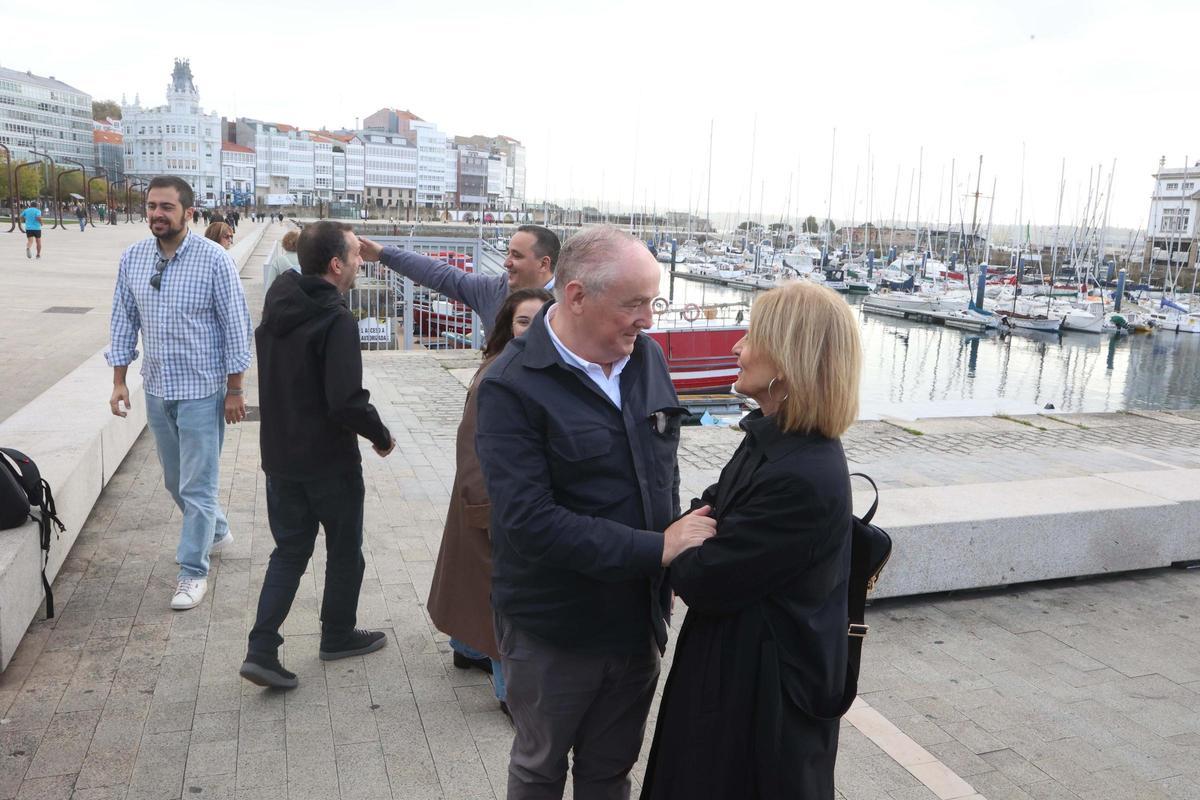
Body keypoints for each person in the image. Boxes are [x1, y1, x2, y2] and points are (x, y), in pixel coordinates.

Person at [475, 225, 717, 799]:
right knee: (540, 769)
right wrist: (656, 548)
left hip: (635, 620)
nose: (648, 320)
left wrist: (671, 563)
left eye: (652, 303)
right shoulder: (510, 387)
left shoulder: (647, 360)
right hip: (554, 626)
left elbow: (664, 468)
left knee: (609, 773)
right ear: (577, 296)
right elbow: (529, 523)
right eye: (634, 304)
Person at [640, 280, 862, 800]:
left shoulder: (802, 473)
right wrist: (692, 532)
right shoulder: (772, 439)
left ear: (788, 357)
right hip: (736, 674)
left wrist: (681, 543)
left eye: (751, 336)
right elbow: (709, 505)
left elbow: (705, 577)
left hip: (760, 702)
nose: (737, 348)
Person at [239, 222, 395, 689]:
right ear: (335, 264)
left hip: (281, 458)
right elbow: (345, 401)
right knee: (345, 550)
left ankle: (262, 647)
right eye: (355, 255)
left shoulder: (280, 299)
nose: (360, 261)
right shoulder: (336, 320)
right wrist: (381, 435)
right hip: (329, 462)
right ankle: (338, 635)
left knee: (289, 550)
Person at [105, 175, 253, 611]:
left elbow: (236, 328)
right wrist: (118, 380)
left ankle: (193, 570)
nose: (156, 214)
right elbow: (121, 320)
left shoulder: (214, 261)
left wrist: (235, 389)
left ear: (188, 212)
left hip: (203, 392)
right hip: (157, 388)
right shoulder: (133, 259)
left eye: (166, 207)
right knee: (175, 481)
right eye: (151, 206)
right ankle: (217, 528)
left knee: (198, 484)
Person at [426, 287, 552, 718]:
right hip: (491, 505)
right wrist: (485, 510)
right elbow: (474, 445)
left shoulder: (519, 365)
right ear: (507, 326)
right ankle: (509, 695)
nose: (532, 329)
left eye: (540, 321)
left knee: (473, 587)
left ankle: (465, 648)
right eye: (523, 321)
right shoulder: (502, 373)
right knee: (500, 600)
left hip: (484, 501)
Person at [358, 224, 559, 336]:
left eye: (516, 255)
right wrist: (383, 254)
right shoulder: (492, 291)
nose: (506, 262)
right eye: (507, 254)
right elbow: (440, 274)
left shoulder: (570, 303)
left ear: (543, 264)